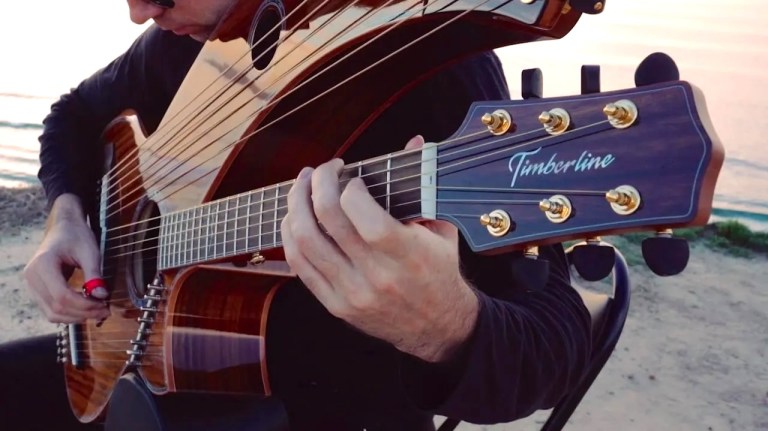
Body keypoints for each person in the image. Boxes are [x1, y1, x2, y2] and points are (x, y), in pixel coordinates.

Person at [1, 1, 593, 430]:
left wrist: (445, 322)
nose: (139, 11)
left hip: (334, 410)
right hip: (144, 361)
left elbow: (551, 351)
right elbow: (73, 114)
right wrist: (66, 217)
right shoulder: (190, 38)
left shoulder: (423, 51)